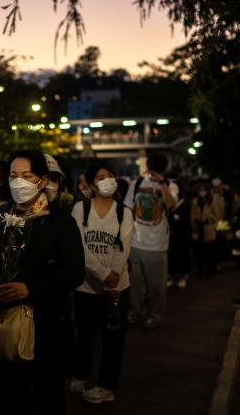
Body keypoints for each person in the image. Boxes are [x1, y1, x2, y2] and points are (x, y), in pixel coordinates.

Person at [0, 149, 85, 415]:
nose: (19, 181)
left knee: (47, 397)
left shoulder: (60, 222)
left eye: (27, 175)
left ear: (43, 181)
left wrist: (29, 289)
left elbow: (74, 272)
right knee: (6, 397)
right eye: (13, 175)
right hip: (2, 327)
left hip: (45, 330)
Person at [69, 163, 134, 404]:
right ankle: (81, 374)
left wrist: (112, 280)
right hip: (86, 287)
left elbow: (123, 248)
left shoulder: (124, 212)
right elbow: (79, 247)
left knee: (113, 339)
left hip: (117, 289)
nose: (107, 181)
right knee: (84, 335)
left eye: (110, 176)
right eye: (101, 177)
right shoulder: (80, 208)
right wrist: (103, 274)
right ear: (92, 183)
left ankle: (107, 385)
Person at [124, 153, 178, 328]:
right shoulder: (137, 184)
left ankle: (155, 316)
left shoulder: (170, 186)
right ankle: (136, 313)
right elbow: (127, 209)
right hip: (135, 243)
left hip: (157, 245)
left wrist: (162, 183)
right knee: (135, 285)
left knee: (156, 286)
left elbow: (171, 204)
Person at [167, 181, 192, 288]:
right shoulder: (168, 204)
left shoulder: (185, 203)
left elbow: (186, 221)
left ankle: (183, 276)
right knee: (172, 256)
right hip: (170, 236)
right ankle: (172, 276)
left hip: (182, 235)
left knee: (183, 254)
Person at [191, 182, 220, 276]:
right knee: (200, 250)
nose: (202, 192)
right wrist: (195, 221)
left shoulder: (211, 201)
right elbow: (192, 214)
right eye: (200, 190)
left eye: (203, 190)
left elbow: (217, 215)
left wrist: (209, 219)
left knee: (210, 250)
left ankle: (211, 268)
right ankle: (201, 269)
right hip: (199, 229)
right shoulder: (195, 201)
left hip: (209, 228)